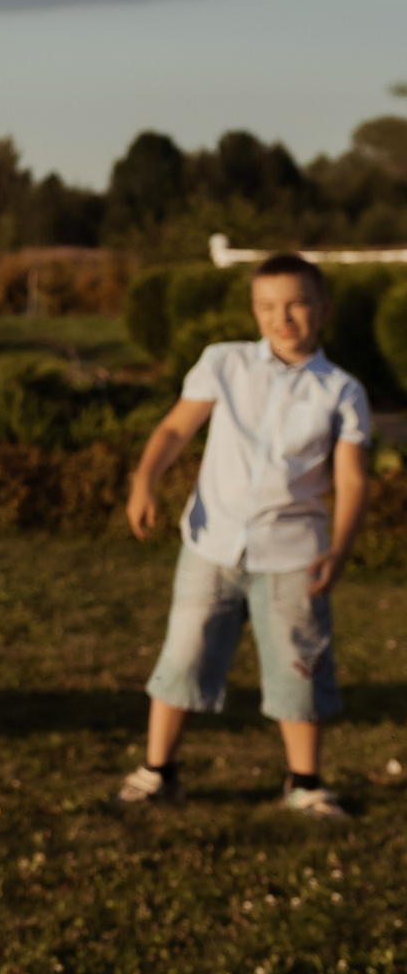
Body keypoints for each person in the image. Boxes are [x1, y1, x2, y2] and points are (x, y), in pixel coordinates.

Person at [115, 253, 369, 821]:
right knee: (183, 654)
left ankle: (305, 783)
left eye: (297, 304)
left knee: (300, 665)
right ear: (254, 311)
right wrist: (144, 482)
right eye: (267, 307)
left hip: (293, 554)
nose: (283, 318)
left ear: (322, 309)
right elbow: (177, 426)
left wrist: (342, 547)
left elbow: (352, 478)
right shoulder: (223, 363)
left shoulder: (342, 391)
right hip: (212, 543)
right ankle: (159, 772)